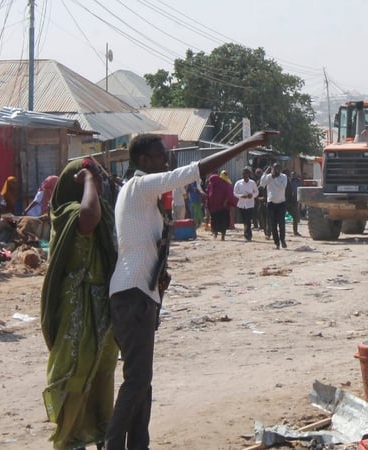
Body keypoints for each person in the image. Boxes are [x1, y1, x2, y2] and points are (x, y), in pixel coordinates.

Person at [106, 130, 275, 450]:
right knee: (137, 382)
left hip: (139, 295)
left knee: (142, 383)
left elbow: (144, 246)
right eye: (160, 155)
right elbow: (195, 170)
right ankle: (113, 444)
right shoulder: (141, 185)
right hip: (132, 295)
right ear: (143, 160)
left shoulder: (140, 195)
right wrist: (245, 145)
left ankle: (137, 445)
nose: (166, 159)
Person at [41, 158, 119, 450]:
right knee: (74, 370)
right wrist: (88, 181)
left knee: (101, 373)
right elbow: (89, 217)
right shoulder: (69, 213)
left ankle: (100, 432)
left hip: (101, 308)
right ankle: (69, 437)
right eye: (92, 177)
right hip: (76, 306)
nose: (99, 182)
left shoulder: (103, 211)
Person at [259, 163, 288, 249]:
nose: (277, 170)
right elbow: (262, 184)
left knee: (281, 223)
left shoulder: (284, 177)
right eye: (275, 168)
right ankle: (277, 243)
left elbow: (282, 187)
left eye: (278, 168)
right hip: (271, 203)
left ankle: (282, 239)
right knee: (273, 224)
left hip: (281, 203)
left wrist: (274, 179)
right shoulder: (268, 176)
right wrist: (265, 173)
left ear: (281, 169)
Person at [206, 173, 235, 241]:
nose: (211, 182)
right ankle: (215, 233)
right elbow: (208, 194)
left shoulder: (223, 185)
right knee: (214, 221)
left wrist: (225, 202)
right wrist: (208, 204)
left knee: (223, 222)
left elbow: (228, 194)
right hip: (214, 208)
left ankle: (223, 236)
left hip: (223, 207)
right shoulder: (211, 185)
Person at [234, 167, 258, 242]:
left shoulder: (252, 183)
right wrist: (241, 196)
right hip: (241, 204)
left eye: (246, 173)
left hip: (250, 204)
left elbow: (256, 192)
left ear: (249, 174)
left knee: (248, 220)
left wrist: (252, 195)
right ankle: (246, 233)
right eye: (243, 173)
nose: (244, 175)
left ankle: (248, 235)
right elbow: (234, 193)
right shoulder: (238, 183)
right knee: (244, 220)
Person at [285, 170, 301, 236]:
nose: (293, 175)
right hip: (286, 201)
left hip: (294, 201)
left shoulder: (298, 181)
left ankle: (295, 231)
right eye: (292, 174)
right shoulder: (287, 181)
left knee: (295, 216)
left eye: (294, 174)